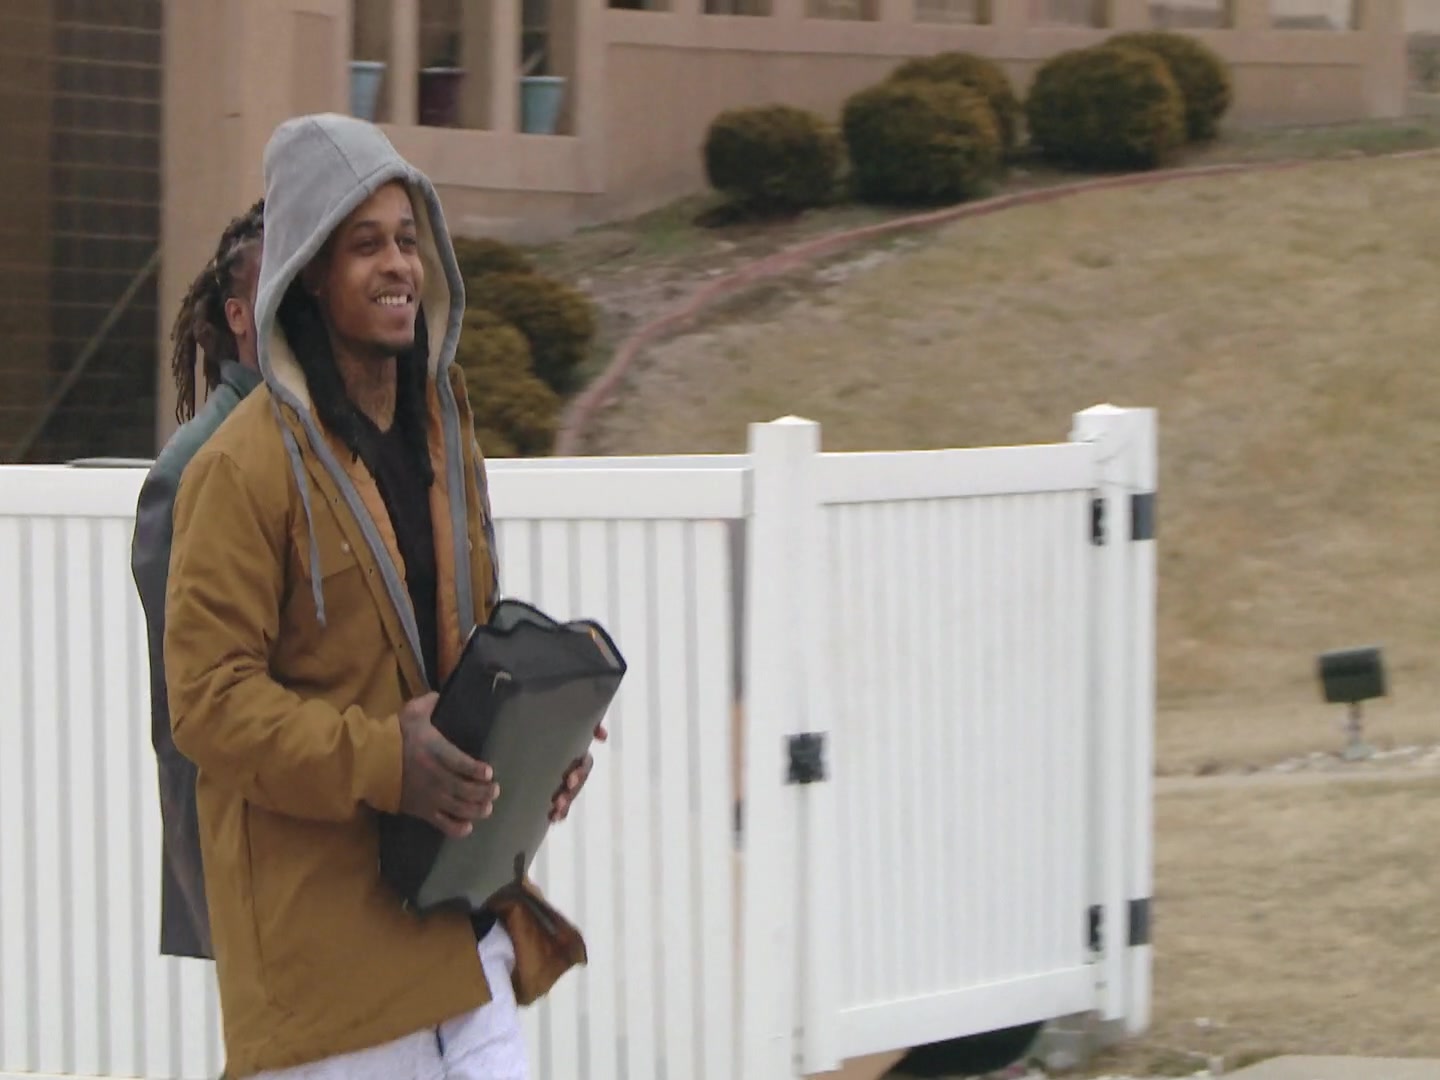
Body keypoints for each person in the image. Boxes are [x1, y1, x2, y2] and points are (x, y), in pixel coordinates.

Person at [163, 114, 595, 1079]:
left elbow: (461, 662)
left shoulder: (446, 438)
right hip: (330, 984)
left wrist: (533, 751)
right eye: (365, 244)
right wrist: (385, 759)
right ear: (310, 272)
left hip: (464, 939)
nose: (398, 263)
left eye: (407, 238)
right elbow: (208, 704)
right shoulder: (237, 471)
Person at [131, 198, 265, 961]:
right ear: (238, 315)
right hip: (249, 850)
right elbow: (190, 709)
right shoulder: (196, 466)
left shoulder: (317, 441)